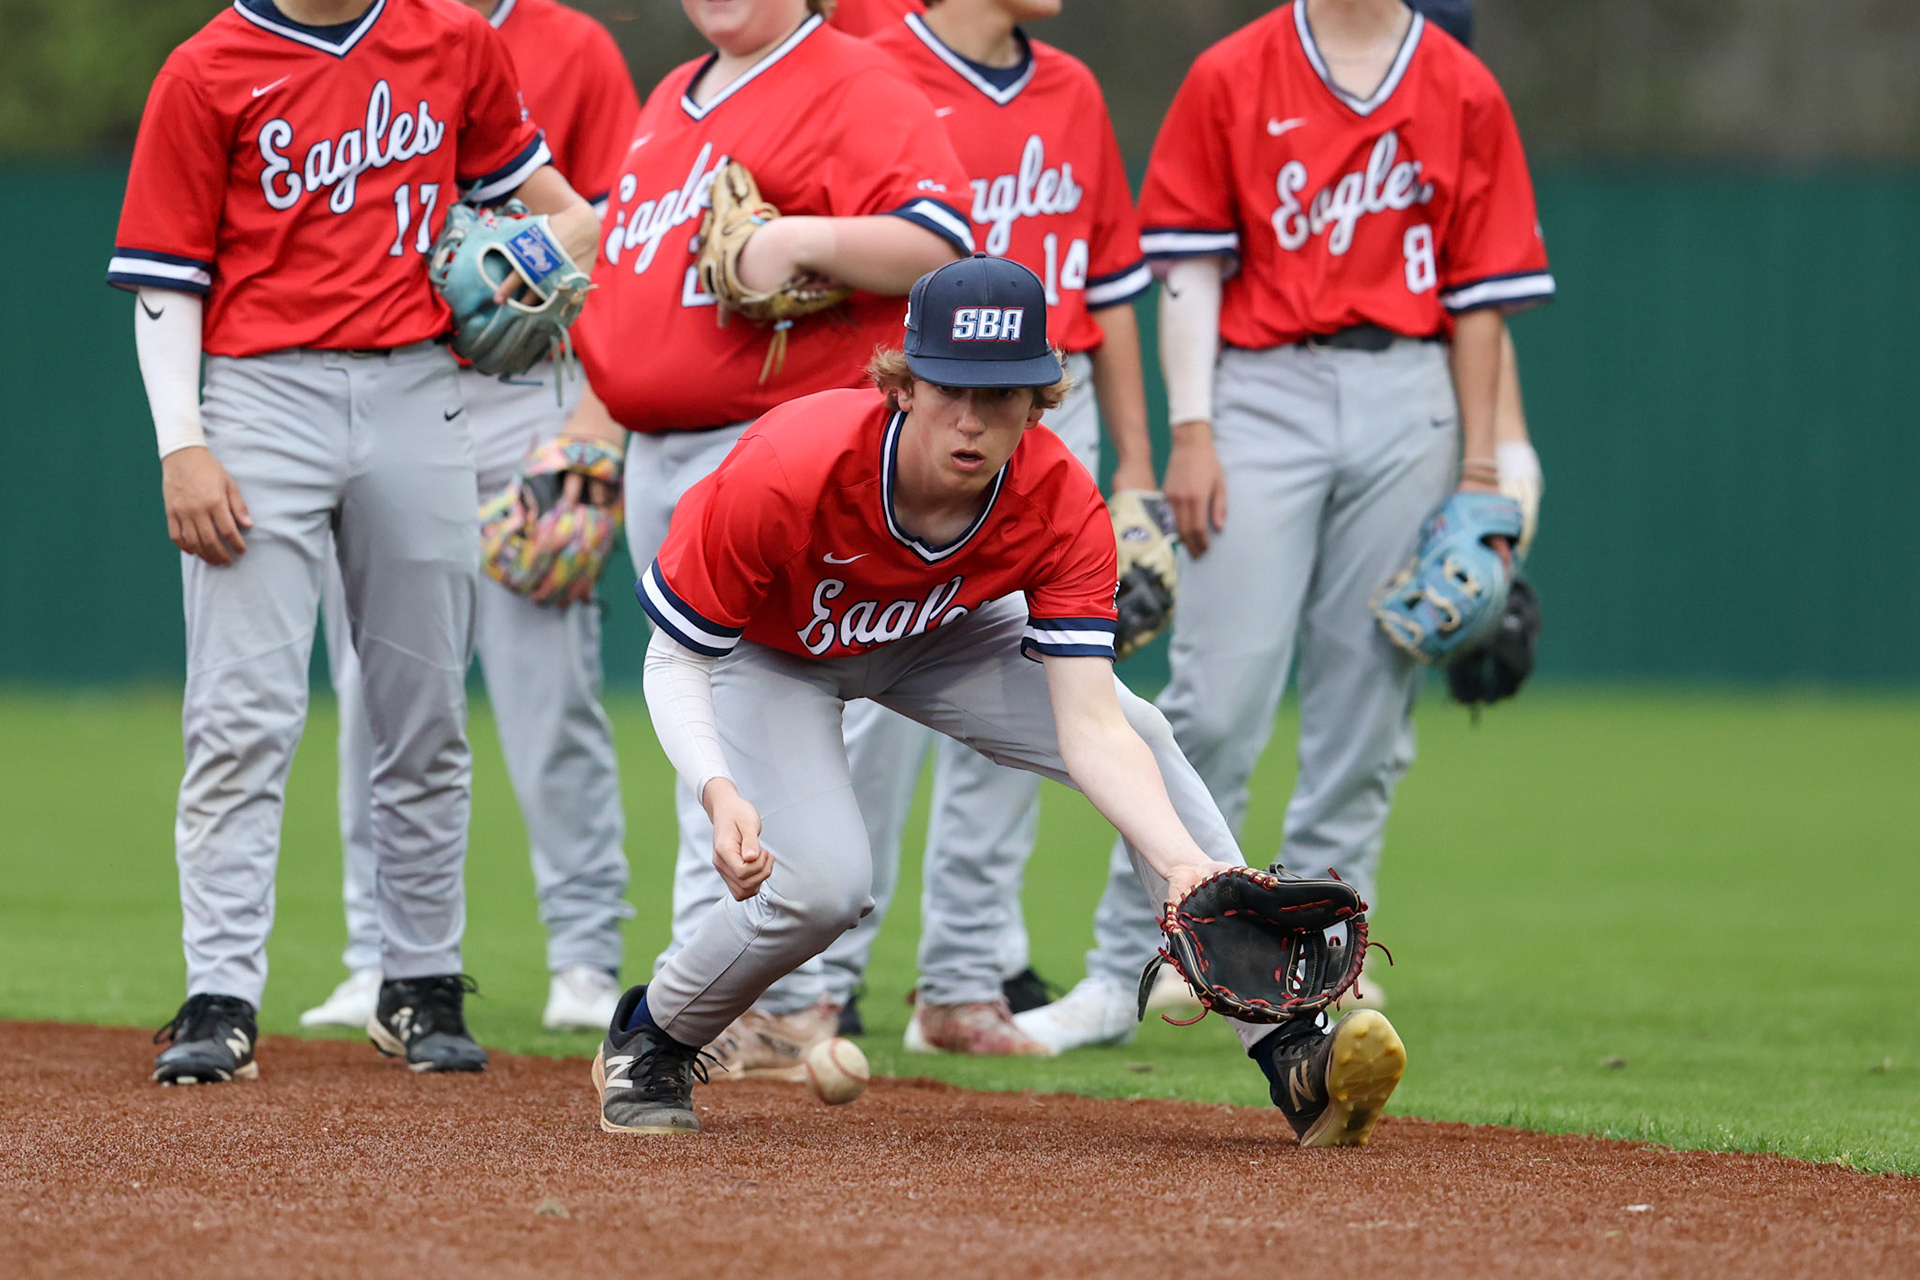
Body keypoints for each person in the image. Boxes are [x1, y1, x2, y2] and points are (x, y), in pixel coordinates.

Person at [588, 254, 1407, 1146]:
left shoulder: (1057, 501)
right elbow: (674, 661)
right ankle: (653, 1037)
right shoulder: (790, 464)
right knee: (825, 887)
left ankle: (1292, 1048)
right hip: (778, 656)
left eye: (1004, 394)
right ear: (902, 384)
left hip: (940, 635)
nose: (972, 420)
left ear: (1040, 399)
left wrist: (1181, 865)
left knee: (1142, 730)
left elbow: (1088, 724)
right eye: (949, 387)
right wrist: (717, 789)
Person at [1016, 0, 1553, 1052]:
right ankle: (1140, 954)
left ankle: (1326, 965)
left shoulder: (1460, 84)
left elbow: (1480, 295)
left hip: (1411, 389)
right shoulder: (1233, 72)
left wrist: (1485, 469)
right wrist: (1196, 429)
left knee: (1365, 710)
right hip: (1261, 389)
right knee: (1213, 700)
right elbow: (1192, 270)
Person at [120, 0, 600, 1084]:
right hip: (260, 395)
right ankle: (220, 991)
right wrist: (181, 443)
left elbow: (571, 213)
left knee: (422, 711)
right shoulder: (206, 69)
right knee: (242, 713)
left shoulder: (455, 43)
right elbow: (164, 278)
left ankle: (420, 981)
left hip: (419, 387)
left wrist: (527, 254)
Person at [561, 0, 974, 1074]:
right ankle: (721, 987)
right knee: (706, 721)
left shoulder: (857, 81)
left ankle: (784, 994)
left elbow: (942, 241)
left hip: (779, 445)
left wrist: (801, 238)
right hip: (664, 447)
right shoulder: (671, 98)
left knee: (797, 722)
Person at [760, 0, 1156, 1057]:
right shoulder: (868, 73)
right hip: (912, 443)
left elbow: (1109, 292)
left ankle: (960, 980)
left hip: (1046, 440)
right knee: (870, 721)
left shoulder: (1070, 88)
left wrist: (1140, 475)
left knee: (1033, 718)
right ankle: (816, 981)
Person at [298, 0, 644, 1038]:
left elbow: (626, 222)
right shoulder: (349, 34)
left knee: (552, 691)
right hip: (379, 386)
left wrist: (591, 420)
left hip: (524, 391)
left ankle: (584, 951)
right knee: (371, 687)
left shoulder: (571, 46)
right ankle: (375, 952)